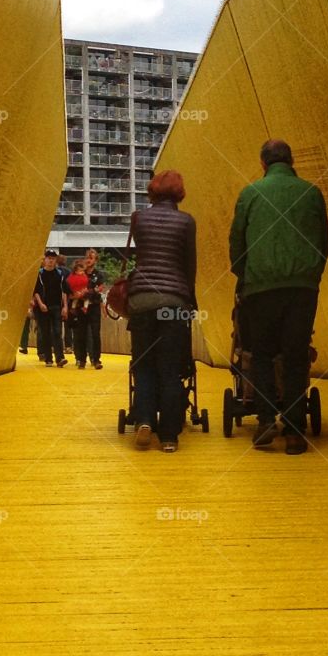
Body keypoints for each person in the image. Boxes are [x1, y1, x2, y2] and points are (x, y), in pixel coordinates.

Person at [229, 139, 328, 455]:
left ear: (263, 164)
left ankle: (265, 420)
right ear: (291, 160)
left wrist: (246, 276)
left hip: (260, 288)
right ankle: (296, 431)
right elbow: (323, 241)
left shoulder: (250, 194)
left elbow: (236, 243)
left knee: (261, 353)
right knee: (296, 355)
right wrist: (311, 274)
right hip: (301, 288)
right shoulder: (311, 193)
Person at [127, 170, 197, 452]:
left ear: (152, 190)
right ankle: (169, 436)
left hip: (141, 300)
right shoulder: (186, 221)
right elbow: (189, 264)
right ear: (179, 192)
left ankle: (144, 419)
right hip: (174, 303)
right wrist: (189, 300)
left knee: (143, 365)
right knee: (170, 368)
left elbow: (139, 256)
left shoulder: (139, 218)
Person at [33, 249, 68, 366]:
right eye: (48, 258)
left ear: (55, 260)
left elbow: (64, 291)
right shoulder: (39, 274)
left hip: (56, 307)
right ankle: (48, 358)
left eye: (53, 259)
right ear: (44, 260)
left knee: (57, 332)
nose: (50, 261)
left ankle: (60, 358)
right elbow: (36, 291)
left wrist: (65, 307)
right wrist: (40, 303)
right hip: (43, 307)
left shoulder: (60, 274)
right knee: (45, 332)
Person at [81, 247, 106, 369]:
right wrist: (93, 291)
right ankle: (81, 359)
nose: (88, 260)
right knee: (82, 333)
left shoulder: (99, 274)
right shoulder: (80, 273)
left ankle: (96, 359)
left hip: (94, 306)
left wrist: (89, 292)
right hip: (81, 307)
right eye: (87, 257)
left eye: (91, 258)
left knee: (96, 333)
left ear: (95, 260)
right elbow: (77, 289)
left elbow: (100, 289)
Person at [65, 259, 91, 367]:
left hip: (81, 309)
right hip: (75, 310)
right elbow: (68, 294)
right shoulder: (71, 279)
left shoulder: (86, 278)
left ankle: (82, 358)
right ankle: (79, 358)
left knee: (82, 334)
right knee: (77, 334)